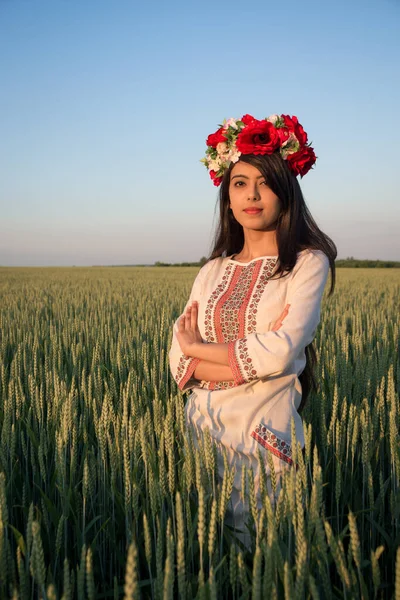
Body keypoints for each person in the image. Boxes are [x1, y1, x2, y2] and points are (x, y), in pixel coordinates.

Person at [168, 113, 337, 547]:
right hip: (202, 434)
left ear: (286, 193)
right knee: (205, 559)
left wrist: (201, 348)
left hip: (265, 436)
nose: (253, 194)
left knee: (267, 559)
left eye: (265, 182)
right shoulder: (211, 271)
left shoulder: (307, 263)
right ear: (227, 197)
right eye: (240, 183)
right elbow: (177, 361)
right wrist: (240, 355)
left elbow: (280, 353)